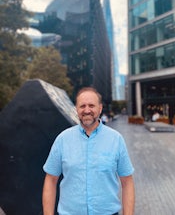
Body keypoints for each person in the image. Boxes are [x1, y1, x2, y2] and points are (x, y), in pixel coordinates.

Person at [42, 87, 135, 215]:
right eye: (82, 106)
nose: (87, 110)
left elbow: (127, 182)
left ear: (100, 108)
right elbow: (51, 180)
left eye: (91, 105)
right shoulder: (62, 139)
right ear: (76, 109)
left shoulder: (116, 139)